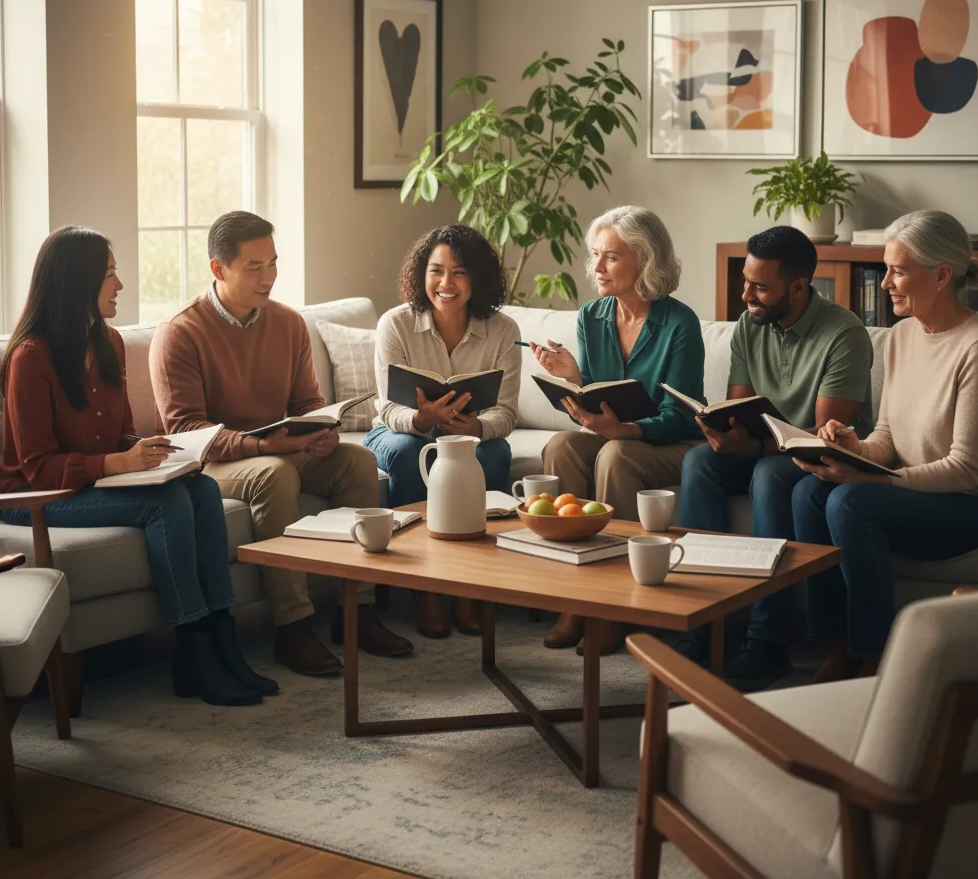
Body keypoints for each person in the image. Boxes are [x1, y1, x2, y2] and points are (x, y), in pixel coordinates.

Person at [0, 227, 275, 706]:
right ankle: (192, 651)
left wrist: (156, 451)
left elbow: (122, 433)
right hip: (33, 498)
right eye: (110, 274)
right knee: (165, 503)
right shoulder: (30, 357)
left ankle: (221, 639)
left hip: (91, 483)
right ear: (77, 282)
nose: (120, 285)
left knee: (202, 489)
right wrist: (117, 461)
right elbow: (38, 467)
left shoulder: (108, 341)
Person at [150, 211, 412, 678]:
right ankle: (293, 627)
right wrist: (262, 447)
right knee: (275, 473)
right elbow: (186, 430)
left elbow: (308, 401)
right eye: (254, 267)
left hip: (278, 449)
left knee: (357, 461)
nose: (268, 277)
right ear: (218, 269)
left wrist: (321, 430)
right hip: (214, 463)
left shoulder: (288, 323)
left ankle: (357, 611)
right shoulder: (180, 332)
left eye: (272, 263)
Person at [793, 210, 978, 678]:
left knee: (853, 503)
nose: (884, 284)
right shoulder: (900, 336)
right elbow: (888, 435)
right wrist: (854, 448)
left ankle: (874, 658)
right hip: (921, 491)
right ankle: (834, 643)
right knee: (809, 491)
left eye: (897, 271)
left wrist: (875, 480)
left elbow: (967, 469)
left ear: (941, 276)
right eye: (886, 269)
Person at [678, 225, 873, 690]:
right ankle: (701, 625)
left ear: (799, 287)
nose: (746, 295)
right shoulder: (750, 325)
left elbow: (823, 434)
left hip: (815, 458)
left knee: (769, 473)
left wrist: (754, 446)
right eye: (746, 282)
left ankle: (768, 642)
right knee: (699, 463)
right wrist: (723, 430)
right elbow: (738, 406)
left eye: (760, 287)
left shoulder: (844, 333)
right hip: (765, 445)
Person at [535, 206, 705, 654]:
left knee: (615, 454)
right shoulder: (591, 316)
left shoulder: (680, 323)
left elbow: (679, 416)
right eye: (595, 255)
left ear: (646, 261)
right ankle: (575, 598)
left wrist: (623, 430)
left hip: (671, 443)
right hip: (615, 435)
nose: (597, 267)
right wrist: (574, 379)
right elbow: (598, 396)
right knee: (561, 446)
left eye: (611, 257)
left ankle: (616, 606)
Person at [365, 224, 521, 638]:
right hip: (400, 432)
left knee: (492, 454)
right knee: (404, 452)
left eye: (459, 272)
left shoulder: (504, 331)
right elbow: (388, 408)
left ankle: (472, 586)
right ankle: (426, 590)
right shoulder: (395, 324)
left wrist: (477, 427)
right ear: (422, 274)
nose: (445, 283)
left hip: (466, 435)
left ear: (478, 278)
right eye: (436, 271)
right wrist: (422, 420)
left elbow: (506, 412)